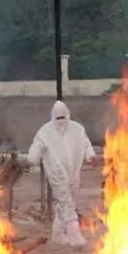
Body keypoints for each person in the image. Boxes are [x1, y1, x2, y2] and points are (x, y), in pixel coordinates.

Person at [28, 101, 96, 246]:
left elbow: (85, 144)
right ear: (53, 117)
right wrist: (31, 159)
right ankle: (75, 235)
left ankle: (58, 235)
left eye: (63, 117)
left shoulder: (77, 129)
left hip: (74, 170)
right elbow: (37, 146)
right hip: (56, 171)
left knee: (67, 201)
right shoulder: (45, 131)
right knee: (65, 201)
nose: (61, 121)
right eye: (58, 118)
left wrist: (90, 155)